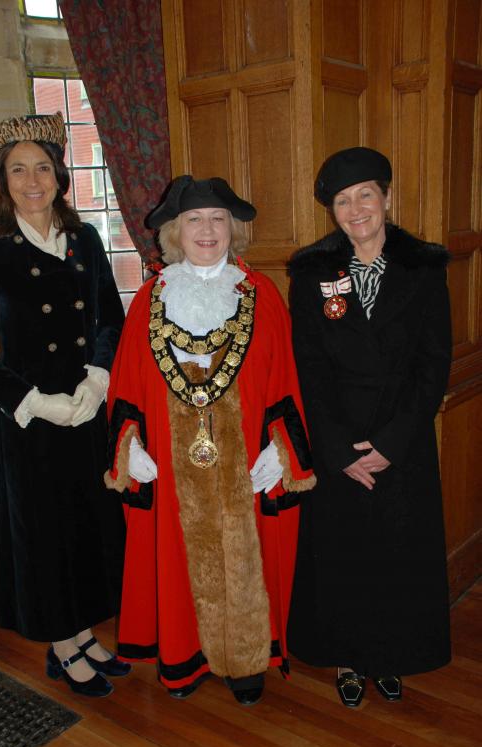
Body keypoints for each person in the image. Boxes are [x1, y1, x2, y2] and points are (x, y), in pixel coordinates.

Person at [105, 175, 315, 706]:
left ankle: (246, 660)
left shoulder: (260, 294)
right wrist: (131, 444)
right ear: (174, 232)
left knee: (244, 556)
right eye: (194, 219)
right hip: (171, 459)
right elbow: (127, 380)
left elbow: (285, 378)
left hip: (245, 457)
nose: (207, 229)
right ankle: (184, 657)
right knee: (179, 553)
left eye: (218, 219)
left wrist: (280, 448)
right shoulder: (150, 297)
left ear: (233, 229)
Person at [0, 111, 129, 697]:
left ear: (59, 176)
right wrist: (34, 402)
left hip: (86, 411)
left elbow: (110, 319)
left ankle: (82, 631)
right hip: (32, 420)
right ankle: (62, 644)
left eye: (43, 169)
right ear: (3, 181)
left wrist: (98, 380)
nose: (33, 181)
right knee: (48, 536)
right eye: (18, 170)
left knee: (88, 527)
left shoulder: (85, 240)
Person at [287, 146, 452, 706]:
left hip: (401, 440)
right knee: (347, 556)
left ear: (386, 197)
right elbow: (308, 366)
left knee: (398, 555)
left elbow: (434, 364)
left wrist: (392, 442)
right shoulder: (312, 272)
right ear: (331, 210)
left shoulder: (424, 267)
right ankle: (349, 658)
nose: (356, 209)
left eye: (365, 195)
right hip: (338, 439)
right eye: (342, 200)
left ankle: (391, 654)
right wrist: (337, 448)